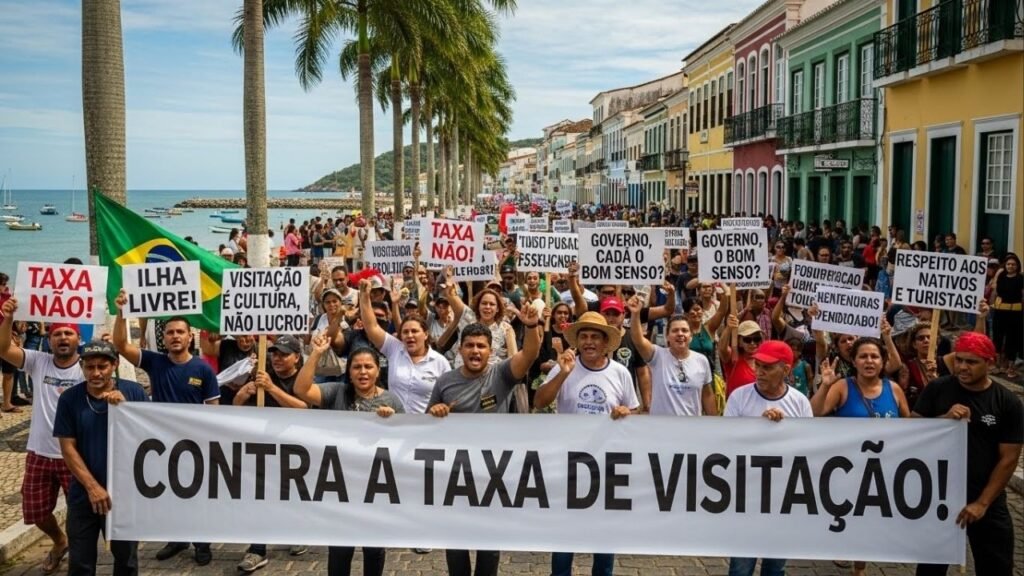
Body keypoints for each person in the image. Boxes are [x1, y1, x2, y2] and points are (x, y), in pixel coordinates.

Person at [427, 304, 542, 576]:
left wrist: (531, 326)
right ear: (460, 350)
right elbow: (427, 426)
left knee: (489, 544)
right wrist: (437, 413)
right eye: (469, 345)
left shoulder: (501, 374)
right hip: (455, 475)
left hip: (493, 474)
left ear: (490, 351)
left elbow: (529, 354)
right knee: (455, 542)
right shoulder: (444, 382)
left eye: (481, 346)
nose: (475, 351)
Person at [112, 289, 219, 566]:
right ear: (164, 337)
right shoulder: (154, 362)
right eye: (169, 332)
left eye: (179, 332)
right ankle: (176, 538)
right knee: (169, 494)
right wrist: (122, 313)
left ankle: (202, 543)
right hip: (161, 443)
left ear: (189, 336)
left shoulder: (203, 370)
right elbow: (121, 345)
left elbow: (214, 411)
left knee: (197, 496)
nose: (174, 336)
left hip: (195, 444)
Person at [534, 311, 638, 576]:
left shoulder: (620, 373)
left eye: (595, 337)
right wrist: (562, 374)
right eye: (584, 336)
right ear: (577, 341)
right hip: (568, 466)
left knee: (604, 539)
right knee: (564, 538)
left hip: (607, 467)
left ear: (606, 343)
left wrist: (627, 413)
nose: (589, 342)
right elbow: (539, 402)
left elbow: (634, 412)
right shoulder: (563, 367)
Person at [913, 332, 1023, 576]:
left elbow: (1009, 458)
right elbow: (913, 431)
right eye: (960, 359)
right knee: (930, 570)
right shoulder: (938, 389)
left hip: (985, 501)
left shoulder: (1007, 403)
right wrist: (945, 420)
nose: (962, 367)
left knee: (996, 567)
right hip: (940, 497)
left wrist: (982, 503)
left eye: (971, 362)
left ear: (990, 363)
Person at [294, 339, 401, 576]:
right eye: (357, 367)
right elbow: (301, 390)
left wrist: (393, 421)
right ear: (349, 372)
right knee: (340, 550)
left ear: (377, 370)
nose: (363, 372)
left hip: (375, 490)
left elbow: (403, 445)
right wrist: (316, 354)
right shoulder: (336, 393)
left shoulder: (391, 400)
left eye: (368, 367)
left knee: (374, 550)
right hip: (340, 488)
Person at [54, 340, 147, 576]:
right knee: (81, 563)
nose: (95, 373)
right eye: (89, 366)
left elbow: (146, 439)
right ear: (82, 367)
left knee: (127, 561)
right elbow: (67, 448)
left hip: (124, 495)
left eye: (102, 367)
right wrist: (93, 487)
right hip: (83, 496)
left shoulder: (134, 392)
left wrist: (126, 410)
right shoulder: (69, 399)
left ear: (114, 365)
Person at [0, 298, 79, 574]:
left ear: (78, 338)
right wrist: (8, 317)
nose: (63, 338)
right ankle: (59, 541)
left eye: (68, 333)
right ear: (49, 339)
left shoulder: (89, 366)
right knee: (35, 511)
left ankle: (82, 557)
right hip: (39, 451)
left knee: (82, 513)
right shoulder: (37, 362)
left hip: (76, 455)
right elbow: (4, 349)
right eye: (57, 333)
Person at [723, 340, 813, 576]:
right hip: (747, 494)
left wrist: (783, 432)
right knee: (741, 567)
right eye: (758, 365)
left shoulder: (800, 403)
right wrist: (757, 429)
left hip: (783, 496)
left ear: (785, 370)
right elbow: (725, 443)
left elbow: (808, 449)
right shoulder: (739, 397)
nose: (759, 371)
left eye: (767, 367)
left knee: (775, 567)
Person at [358, 278, 450, 413]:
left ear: (425, 334)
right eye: (405, 332)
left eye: (415, 331)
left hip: (426, 428)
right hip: (394, 424)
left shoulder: (440, 362)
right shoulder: (394, 348)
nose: (410, 335)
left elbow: (450, 397)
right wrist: (364, 296)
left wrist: (442, 408)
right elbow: (371, 327)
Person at [627, 298, 717, 416]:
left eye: (684, 330)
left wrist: (713, 424)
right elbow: (638, 340)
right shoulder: (657, 355)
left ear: (690, 336)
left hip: (691, 430)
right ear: (667, 336)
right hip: (661, 429)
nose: (680, 334)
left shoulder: (701, 360)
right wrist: (635, 314)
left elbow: (707, 395)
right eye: (675, 331)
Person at [990, 253, 1022, 378]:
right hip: (1000, 312)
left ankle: (1011, 367)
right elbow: (995, 292)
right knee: (997, 338)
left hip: (1015, 313)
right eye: (1008, 264)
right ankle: (997, 365)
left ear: (1017, 266)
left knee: (1012, 340)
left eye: (1013, 264)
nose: (1010, 266)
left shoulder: (1021, 279)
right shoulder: (1001, 277)